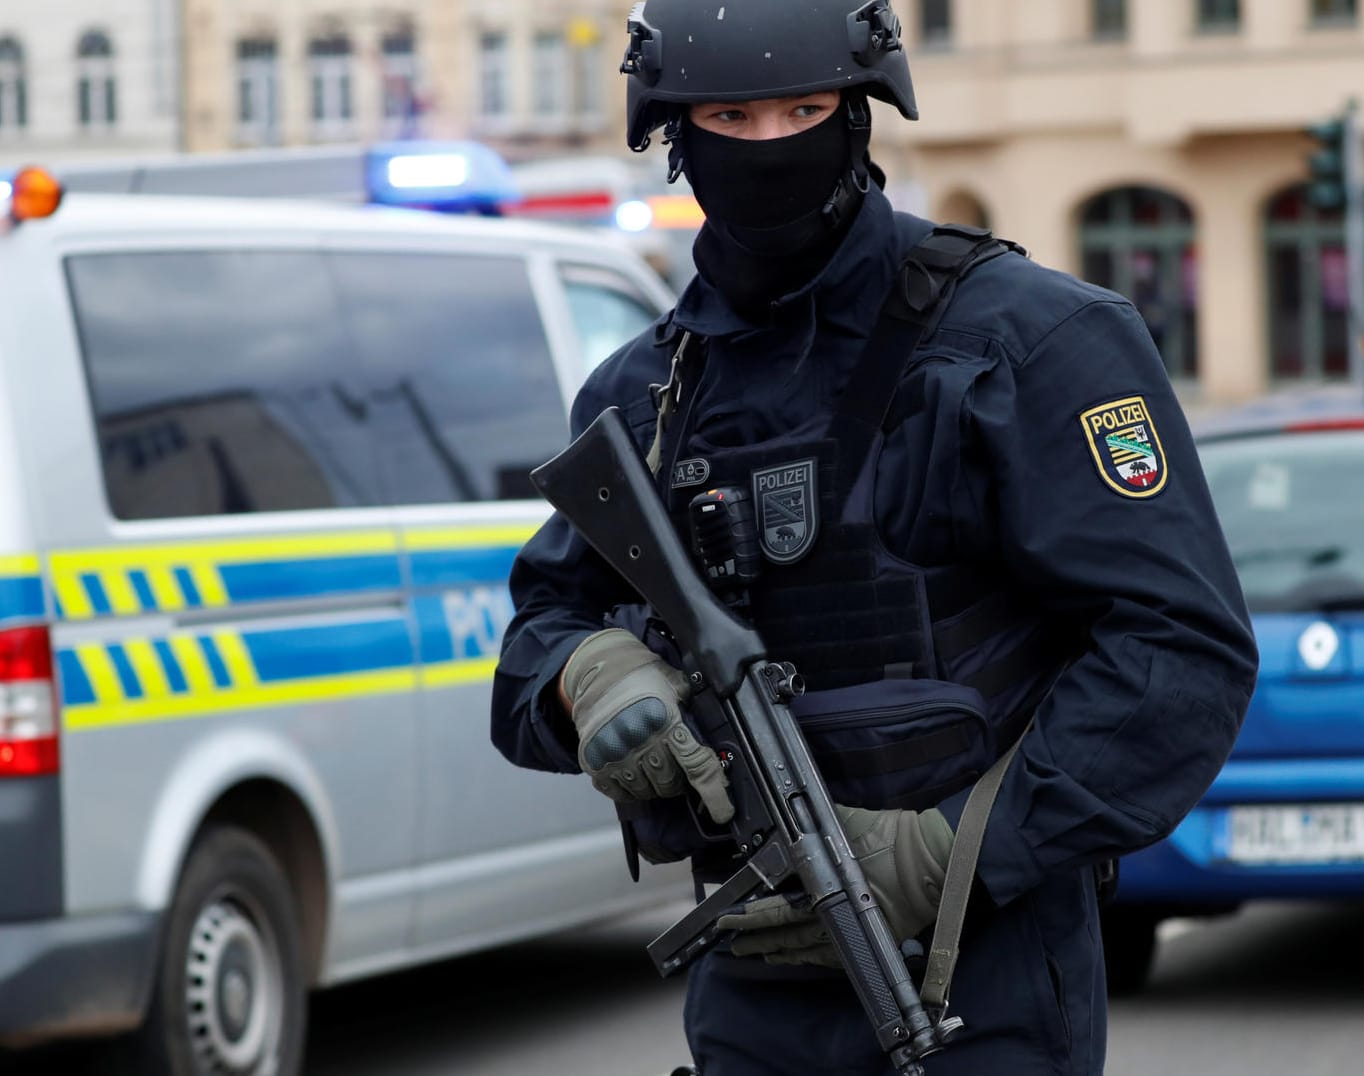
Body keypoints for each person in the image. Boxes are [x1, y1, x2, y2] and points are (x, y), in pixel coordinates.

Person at [491, 2, 1257, 1073]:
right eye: (731, 114)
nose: (769, 145)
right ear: (676, 133)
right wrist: (592, 675)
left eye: (803, 109)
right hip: (752, 979)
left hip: (980, 974)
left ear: (859, 115)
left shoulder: (1032, 342)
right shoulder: (646, 395)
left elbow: (1181, 652)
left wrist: (947, 849)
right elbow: (542, 626)